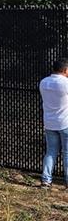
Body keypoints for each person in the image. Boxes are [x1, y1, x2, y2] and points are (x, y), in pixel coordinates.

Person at [41, 58, 68, 188]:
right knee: (67, 152)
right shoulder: (65, 83)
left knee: (50, 151)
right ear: (65, 70)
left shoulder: (44, 82)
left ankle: (46, 180)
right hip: (64, 122)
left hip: (49, 122)